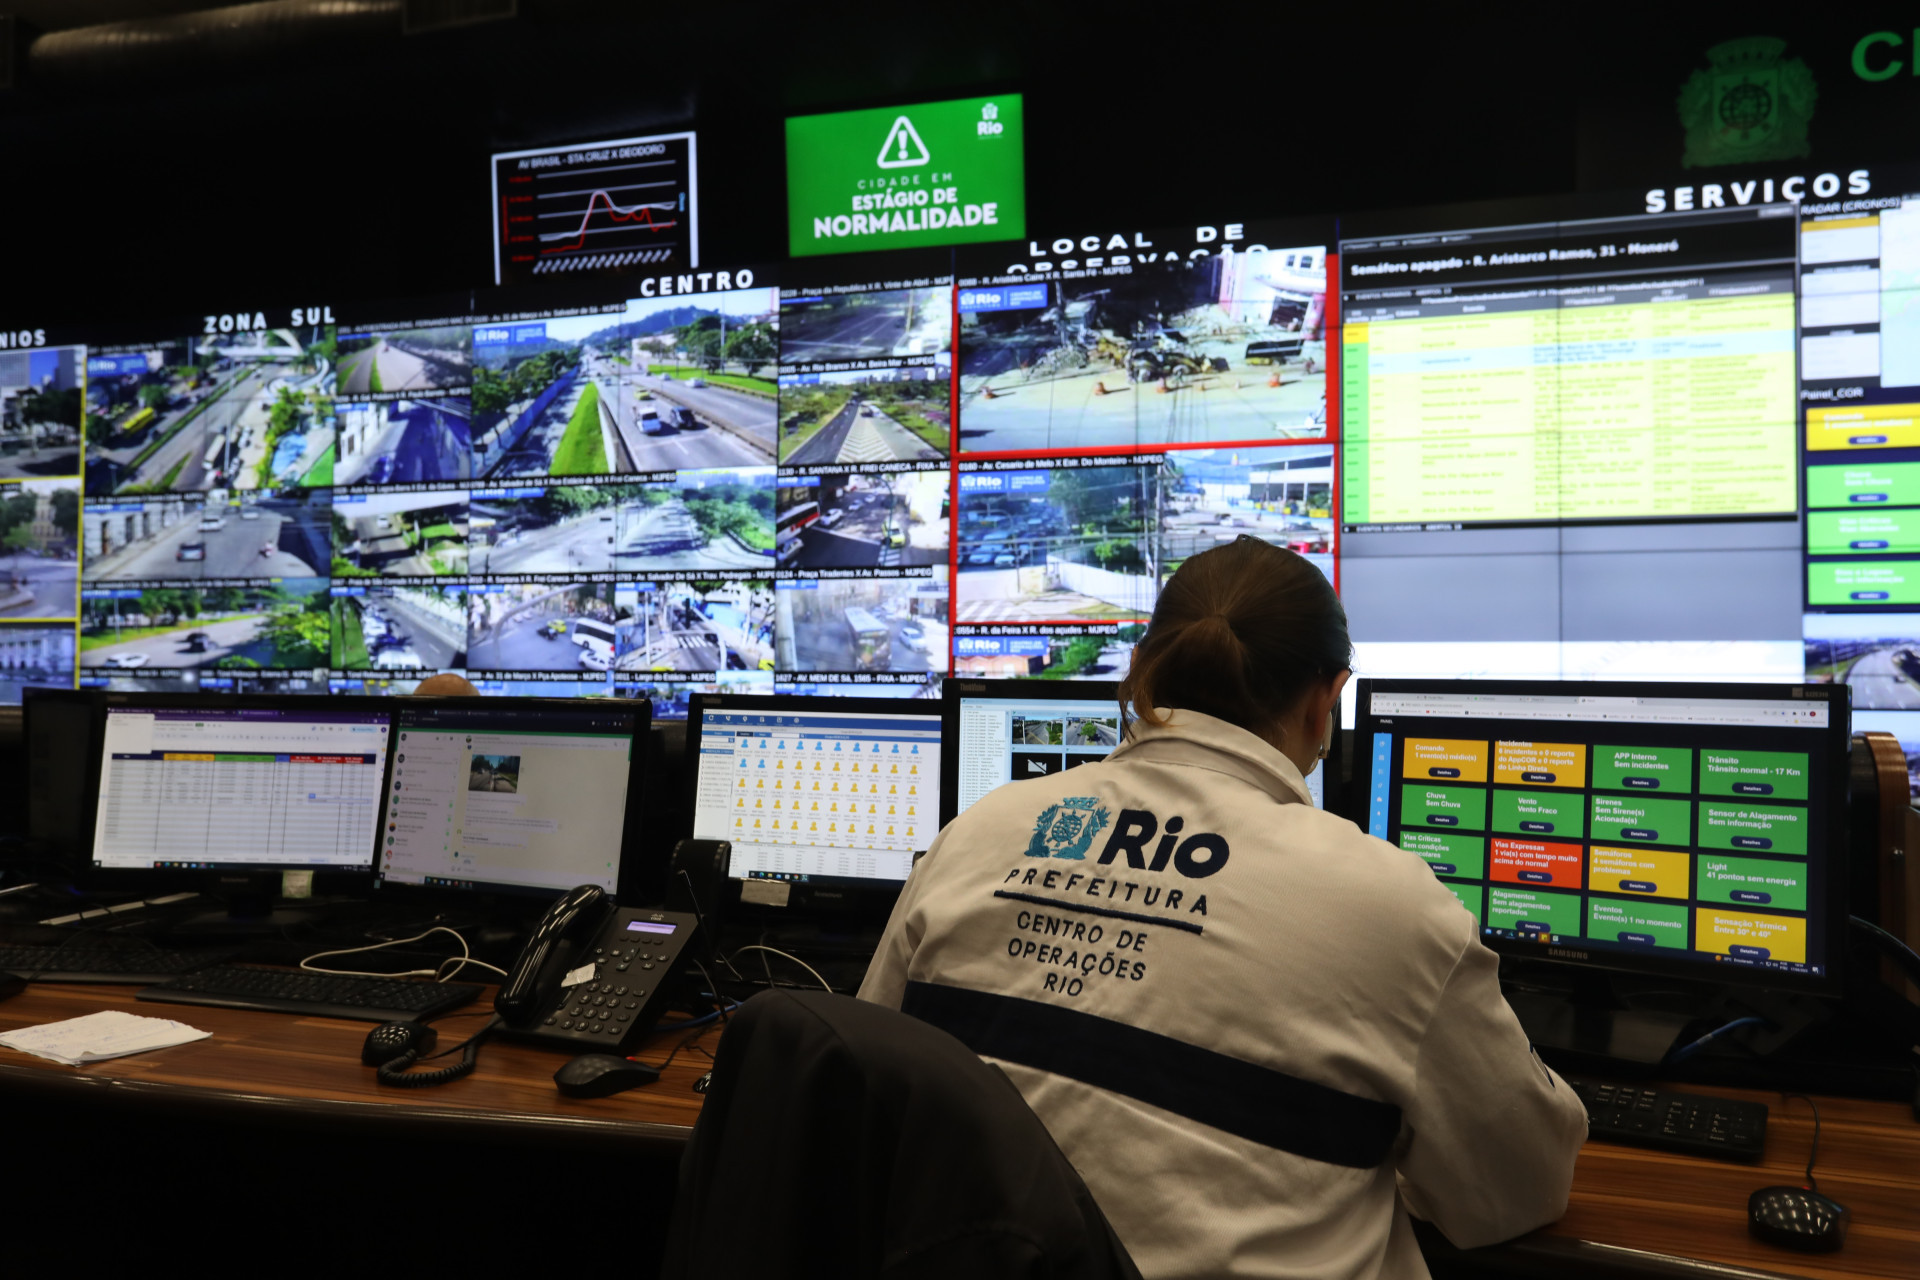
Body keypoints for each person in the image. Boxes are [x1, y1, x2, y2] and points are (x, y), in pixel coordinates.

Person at [859, 537, 1587, 1280]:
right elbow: (1517, 1191)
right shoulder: (1394, 906)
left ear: (1142, 673)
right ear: (1325, 698)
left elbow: (868, 1084)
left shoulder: (978, 831)